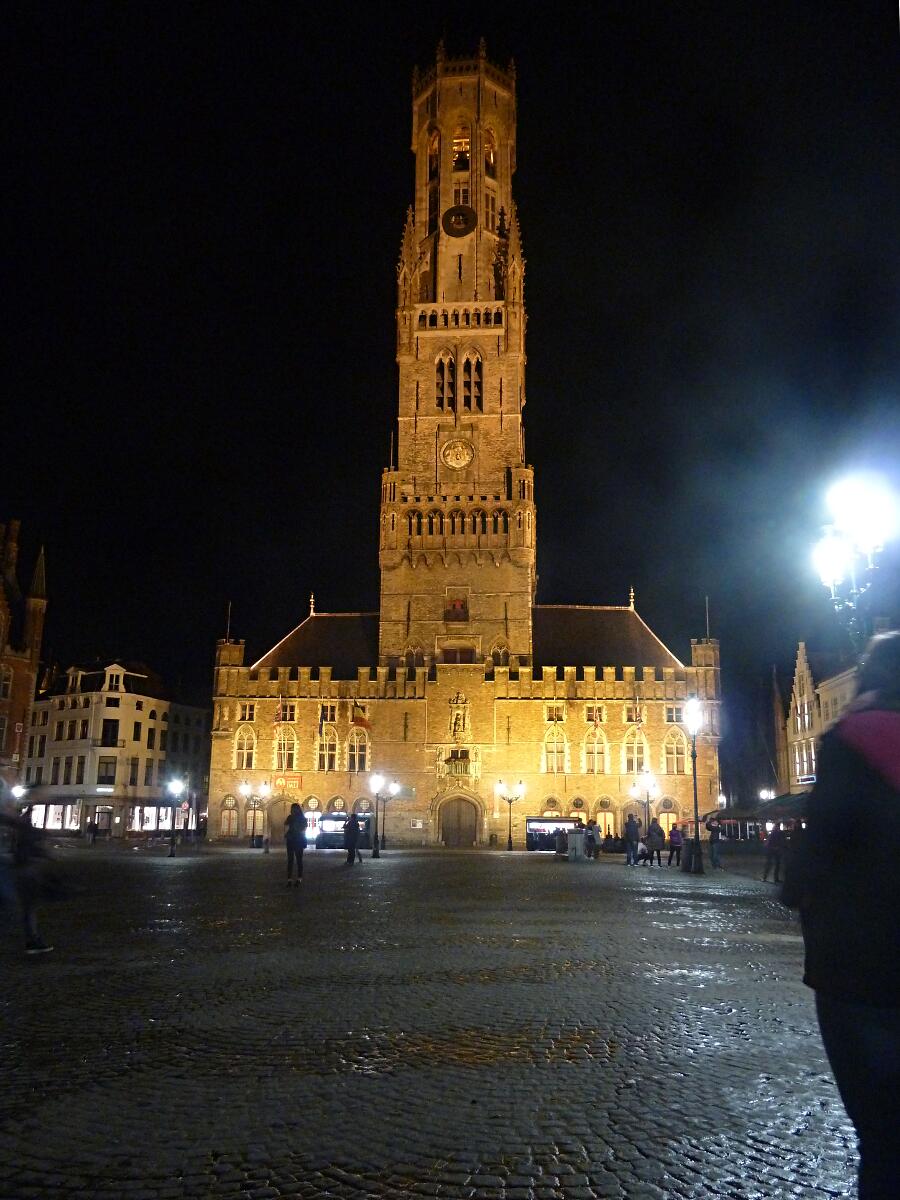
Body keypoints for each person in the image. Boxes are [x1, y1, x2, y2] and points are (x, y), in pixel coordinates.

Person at [782, 630, 900, 1200]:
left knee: (882, 1136)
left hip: (857, 968)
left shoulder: (849, 739)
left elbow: (814, 856)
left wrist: (800, 899)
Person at [0, 803, 54, 954]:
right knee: (18, 905)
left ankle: (32, 939)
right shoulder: (14, 821)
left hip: (15, 865)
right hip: (16, 866)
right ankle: (31, 940)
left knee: (20, 905)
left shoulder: (14, 821)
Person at [283, 803, 307, 886]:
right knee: (290, 860)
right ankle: (289, 879)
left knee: (298, 860)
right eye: (292, 809)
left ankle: (299, 878)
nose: (293, 810)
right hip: (291, 840)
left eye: (294, 809)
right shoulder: (291, 817)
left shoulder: (301, 818)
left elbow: (303, 829)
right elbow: (285, 824)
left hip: (298, 840)